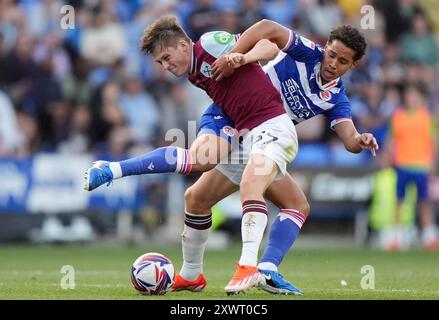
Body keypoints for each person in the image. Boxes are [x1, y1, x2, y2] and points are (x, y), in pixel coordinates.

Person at [85, 19, 378, 295]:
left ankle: (257, 267)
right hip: (233, 116)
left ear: (353, 65)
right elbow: (268, 35)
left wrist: (360, 140)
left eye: (342, 61)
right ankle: (192, 273)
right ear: (325, 47)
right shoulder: (307, 52)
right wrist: (238, 55)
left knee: (285, 198)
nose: (332, 63)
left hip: (268, 126)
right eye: (331, 55)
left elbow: (349, 139)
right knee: (197, 195)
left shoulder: (336, 98)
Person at [382, 84, 438, 251]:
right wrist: (387, 159)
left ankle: (429, 236)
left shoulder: (428, 118)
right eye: (408, 95)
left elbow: (434, 142)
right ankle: (397, 237)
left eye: (414, 95)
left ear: (420, 98)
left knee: (424, 201)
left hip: (421, 165)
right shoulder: (397, 117)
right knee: (399, 200)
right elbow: (391, 141)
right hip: (402, 164)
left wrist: (433, 163)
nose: (411, 99)